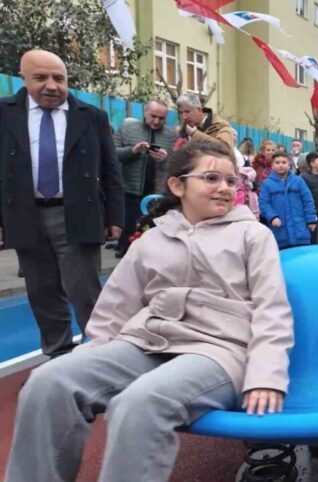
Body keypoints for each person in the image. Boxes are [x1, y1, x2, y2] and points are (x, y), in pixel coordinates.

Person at [4, 141, 294, 482]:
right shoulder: (151, 240)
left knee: (141, 401)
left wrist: (265, 376)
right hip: (150, 341)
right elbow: (117, 303)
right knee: (49, 381)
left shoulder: (252, 235)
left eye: (231, 182)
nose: (224, 188)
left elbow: (271, 309)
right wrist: (95, 350)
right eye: (211, 178)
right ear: (177, 185)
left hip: (219, 349)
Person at [0, 49, 124, 357]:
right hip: (24, 215)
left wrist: (116, 217)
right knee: (42, 292)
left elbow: (110, 171)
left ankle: (99, 356)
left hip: (77, 214)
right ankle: (56, 355)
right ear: (23, 78)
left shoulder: (91, 117)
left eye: (59, 78)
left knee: (85, 291)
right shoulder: (5, 114)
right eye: (40, 78)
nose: (52, 86)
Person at [114, 99, 178, 258]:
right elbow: (112, 153)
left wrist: (167, 158)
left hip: (158, 195)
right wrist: (133, 151)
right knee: (129, 235)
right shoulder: (127, 129)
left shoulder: (172, 136)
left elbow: (180, 163)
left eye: (161, 118)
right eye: (153, 116)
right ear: (145, 113)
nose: (156, 121)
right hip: (130, 192)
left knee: (155, 238)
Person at [259, 152, 317, 249]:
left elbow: (308, 200)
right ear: (272, 165)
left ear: (289, 164)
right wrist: (272, 217)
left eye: (283, 162)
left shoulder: (298, 181)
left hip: (300, 231)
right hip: (280, 232)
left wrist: (311, 219)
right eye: (277, 163)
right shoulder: (267, 184)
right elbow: (264, 203)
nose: (281, 165)